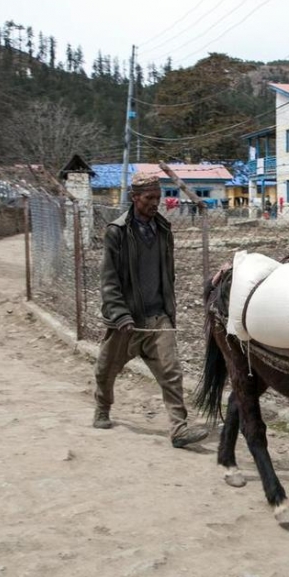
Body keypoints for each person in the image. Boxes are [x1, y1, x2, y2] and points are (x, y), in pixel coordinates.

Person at [92, 173, 208, 449]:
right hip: (127, 320)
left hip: (158, 318)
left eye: (158, 197)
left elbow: (168, 275)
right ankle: (102, 409)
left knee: (172, 372)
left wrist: (169, 311)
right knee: (106, 370)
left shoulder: (163, 229)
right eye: (150, 198)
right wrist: (120, 315)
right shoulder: (117, 232)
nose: (156, 202)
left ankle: (179, 429)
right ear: (135, 198)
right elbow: (109, 279)